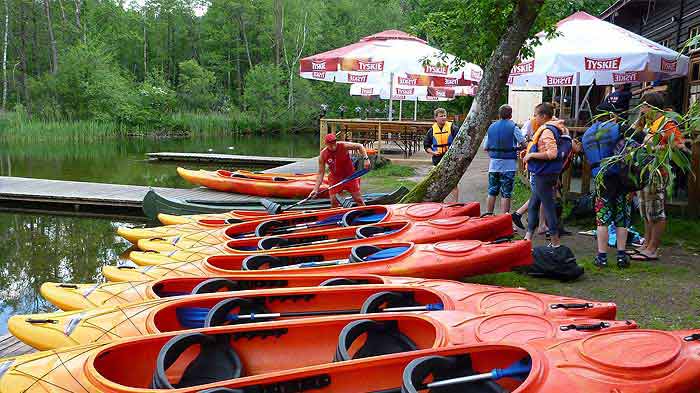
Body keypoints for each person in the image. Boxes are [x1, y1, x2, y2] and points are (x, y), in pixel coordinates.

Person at [630, 92, 684, 261]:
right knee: (645, 210)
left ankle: (653, 248)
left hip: (657, 172)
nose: (642, 111)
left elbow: (679, 144)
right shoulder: (649, 123)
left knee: (656, 212)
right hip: (644, 171)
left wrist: (655, 149)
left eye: (644, 107)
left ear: (651, 107)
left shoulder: (667, 124)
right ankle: (646, 243)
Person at [581, 110, 630, 268]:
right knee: (621, 218)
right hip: (620, 180)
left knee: (602, 219)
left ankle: (602, 257)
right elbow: (626, 153)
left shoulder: (588, 134)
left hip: (601, 179)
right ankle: (621, 256)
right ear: (611, 117)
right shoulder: (618, 130)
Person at [522, 103, 571, 247]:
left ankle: (555, 243)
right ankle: (527, 237)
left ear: (543, 116)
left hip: (543, 174)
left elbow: (552, 153)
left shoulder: (548, 131)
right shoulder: (559, 128)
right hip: (549, 173)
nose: (534, 118)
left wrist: (531, 155)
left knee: (548, 207)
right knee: (533, 204)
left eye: (536, 115)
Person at [482, 104, 524, 214]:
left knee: (492, 191)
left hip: (494, 165)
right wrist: (518, 148)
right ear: (510, 115)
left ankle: (489, 216)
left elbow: (485, 147)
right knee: (506, 193)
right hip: (508, 165)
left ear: (499, 114)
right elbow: (523, 142)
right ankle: (504, 219)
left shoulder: (491, 127)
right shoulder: (513, 127)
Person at [309, 133, 371, 207]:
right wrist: (315, 189)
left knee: (358, 199)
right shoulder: (323, 155)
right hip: (335, 178)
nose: (333, 146)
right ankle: (336, 216)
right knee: (334, 201)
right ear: (326, 144)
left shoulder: (343, 145)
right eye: (330, 144)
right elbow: (321, 173)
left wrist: (366, 159)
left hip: (350, 176)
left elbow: (360, 146)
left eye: (334, 142)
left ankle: (365, 212)